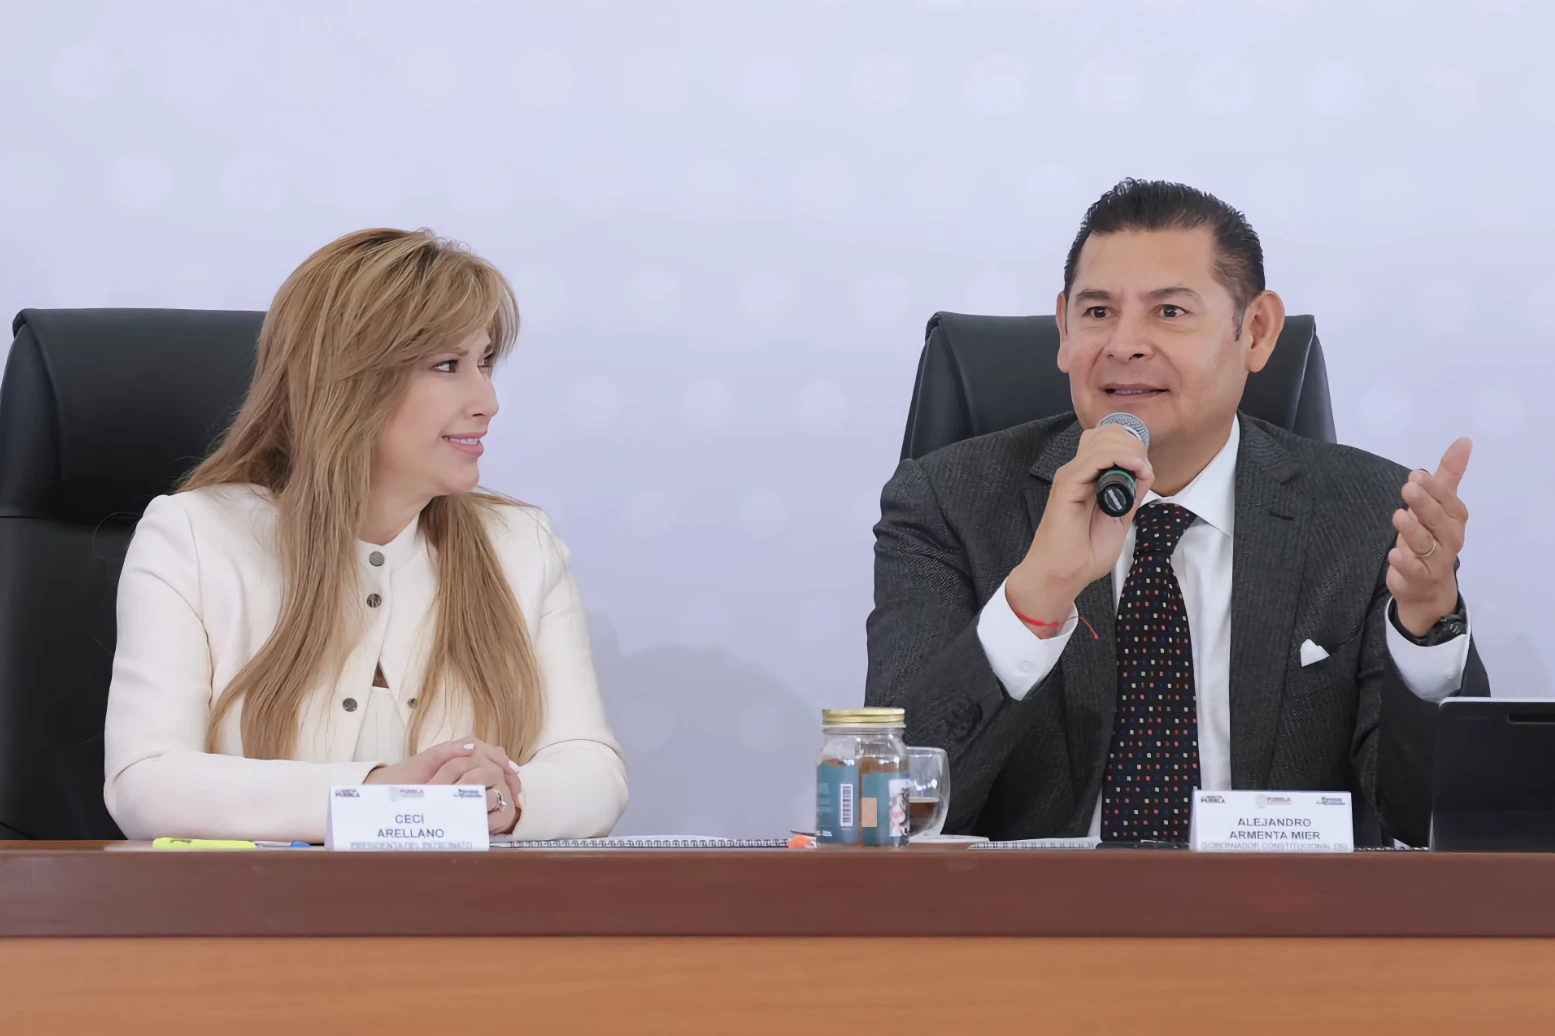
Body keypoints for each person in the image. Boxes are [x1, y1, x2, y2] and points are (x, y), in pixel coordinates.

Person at [865, 179, 1489, 848]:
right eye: (1097, 311)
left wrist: (1425, 630)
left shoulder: (1371, 514)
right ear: (1063, 329)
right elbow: (892, 808)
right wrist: (1035, 598)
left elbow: (1428, 818)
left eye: (1168, 311)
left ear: (1256, 331)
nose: (1124, 344)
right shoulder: (947, 505)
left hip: (1278, 911)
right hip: (1031, 912)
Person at [104, 228, 627, 843]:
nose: (487, 401)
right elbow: (146, 783)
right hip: (259, 903)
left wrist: (504, 799)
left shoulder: (522, 544)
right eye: (448, 366)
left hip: (468, 903)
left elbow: (592, 770)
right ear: (348, 382)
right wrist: (379, 792)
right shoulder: (193, 538)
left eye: (485, 363)